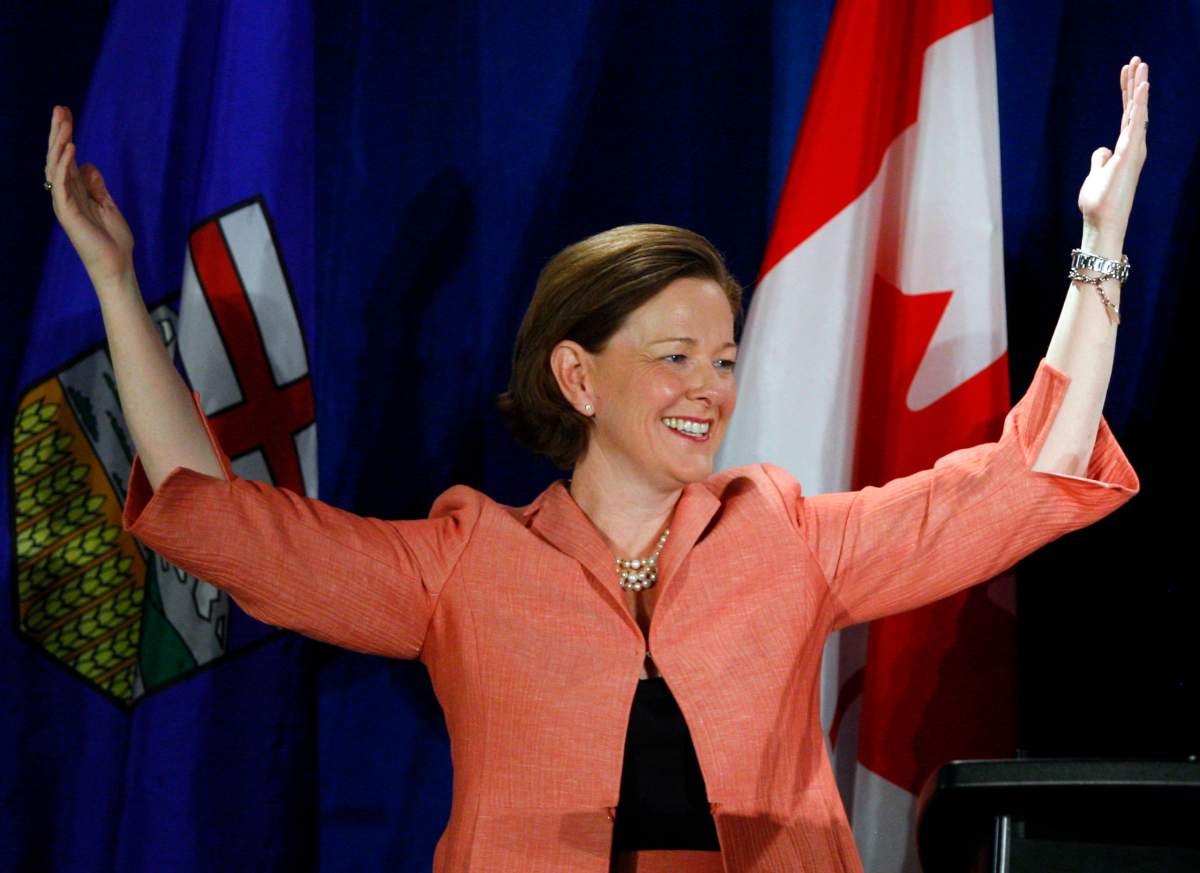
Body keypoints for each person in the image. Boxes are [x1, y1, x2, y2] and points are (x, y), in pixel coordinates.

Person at [44, 55, 1147, 873]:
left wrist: (1100, 249)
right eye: (674, 357)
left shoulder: (789, 535)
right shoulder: (462, 562)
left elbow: (1027, 477)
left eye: (723, 358)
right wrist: (111, 284)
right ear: (577, 378)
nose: (710, 389)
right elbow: (218, 519)